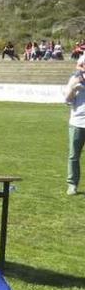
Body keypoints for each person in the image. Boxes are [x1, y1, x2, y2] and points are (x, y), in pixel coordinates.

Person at [64, 56, 85, 196]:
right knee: (73, 156)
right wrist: (74, 88)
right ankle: (72, 184)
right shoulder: (74, 79)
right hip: (77, 123)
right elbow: (67, 100)